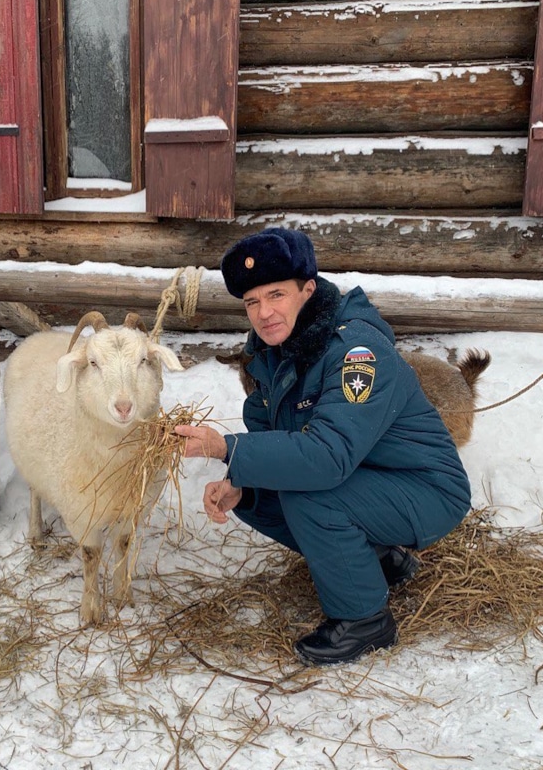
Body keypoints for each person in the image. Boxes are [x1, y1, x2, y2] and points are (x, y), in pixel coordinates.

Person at [175, 227, 471, 666]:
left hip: (425, 489)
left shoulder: (356, 351)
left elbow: (327, 457)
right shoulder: (274, 354)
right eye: (252, 302)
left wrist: (226, 448)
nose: (264, 312)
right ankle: (379, 560)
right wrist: (243, 483)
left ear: (307, 290)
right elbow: (273, 438)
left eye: (276, 295)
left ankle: (364, 620)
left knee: (312, 496)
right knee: (255, 496)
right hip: (367, 480)